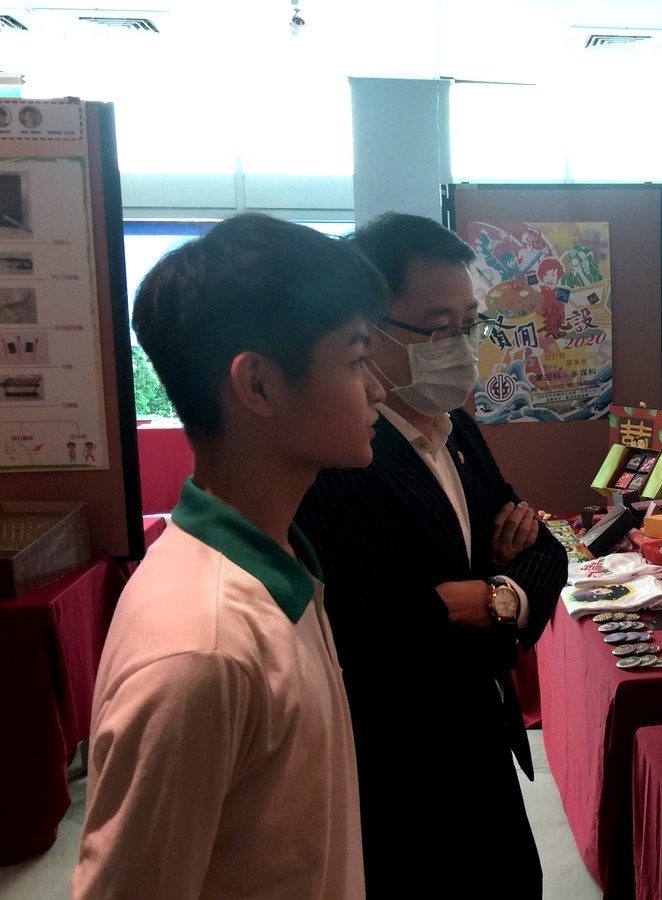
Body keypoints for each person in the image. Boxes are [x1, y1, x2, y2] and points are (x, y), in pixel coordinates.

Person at [73, 213, 390, 897]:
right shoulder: (203, 650)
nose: (377, 390)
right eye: (356, 359)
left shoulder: (274, 565)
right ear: (258, 386)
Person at [295, 212, 568, 895]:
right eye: (437, 326)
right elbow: (400, 639)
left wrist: (494, 596)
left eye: (471, 323)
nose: (461, 345)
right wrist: (491, 599)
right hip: (404, 769)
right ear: (368, 330)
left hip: (485, 740)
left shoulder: (460, 431)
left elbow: (546, 550)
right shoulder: (343, 461)